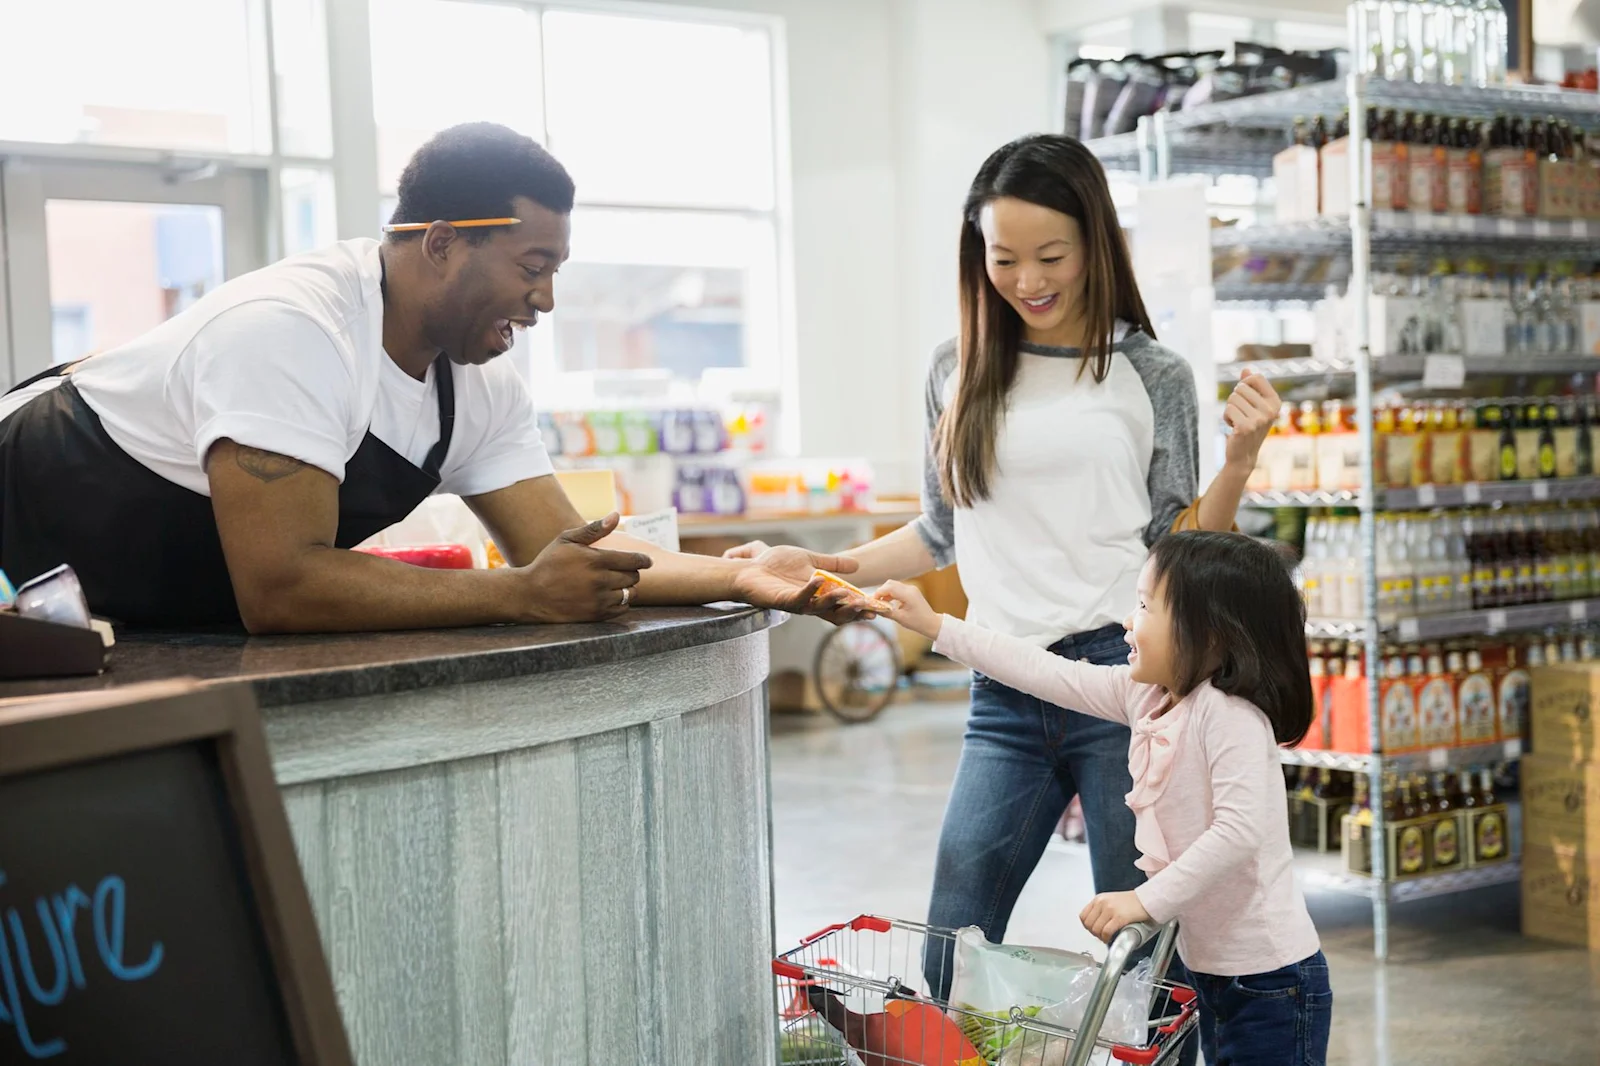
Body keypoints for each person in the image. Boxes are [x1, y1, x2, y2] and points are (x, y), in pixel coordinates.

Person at [723, 134, 1281, 996]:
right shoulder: (957, 369)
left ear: (1096, 243)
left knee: (1144, 960)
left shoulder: (1149, 372)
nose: (1027, 280)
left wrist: (1239, 461)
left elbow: (1180, 543)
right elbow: (941, 533)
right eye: (1004, 258)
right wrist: (824, 562)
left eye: (1051, 255)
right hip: (1003, 685)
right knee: (951, 937)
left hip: (1122, 683)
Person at [0, 123, 872, 632]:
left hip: (118, 605)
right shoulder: (291, 332)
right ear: (445, 241)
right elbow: (280, 585)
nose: (548, 300)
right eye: (534, 264)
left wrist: (744, 576)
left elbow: (569, 551)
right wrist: (517, 597)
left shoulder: (477, 382)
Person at [876, 531, 1331, 1066]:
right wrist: (936, 625)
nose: (1126, 620)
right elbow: (1045, 671)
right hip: (1215, 970)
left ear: (1210, 634)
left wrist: (1144, 900)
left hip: (1271, 981)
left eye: (1144, 605)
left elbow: (1239, 831)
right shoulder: (1146, 695)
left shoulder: (1229, 718)